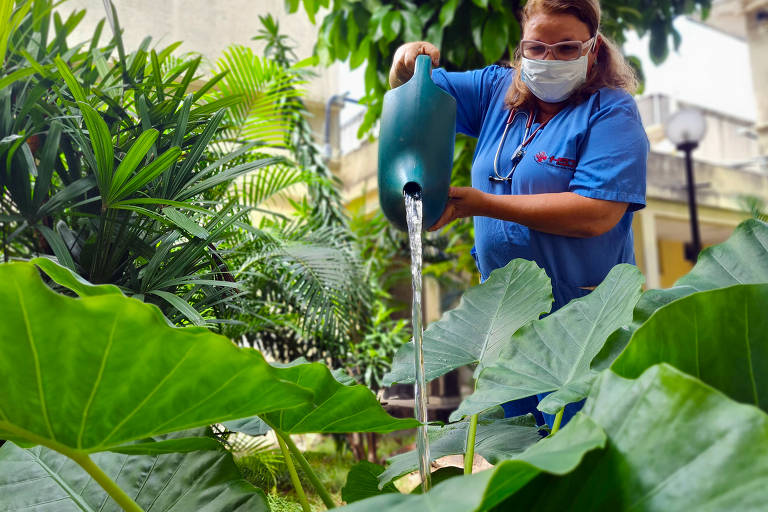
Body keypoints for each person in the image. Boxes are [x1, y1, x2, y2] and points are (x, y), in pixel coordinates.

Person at [388, 0, 648, 427]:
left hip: (582, 322)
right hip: (506, 319)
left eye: (566, 49)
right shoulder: (496, 92)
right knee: (518, 450)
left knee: (577, 452)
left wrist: (484, 203)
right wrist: (405, 62)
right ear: (521, 47)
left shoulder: (612, 111)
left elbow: (596, 213)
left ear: (593, 49)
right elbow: (419, 95)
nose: (549, 60)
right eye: (537, 48)